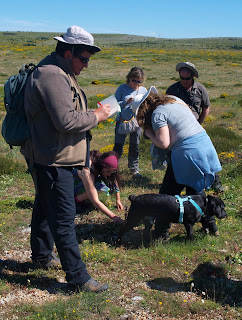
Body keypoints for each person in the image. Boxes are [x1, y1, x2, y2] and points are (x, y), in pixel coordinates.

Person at [20, 26, 111, 293]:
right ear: (68, 52)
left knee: (45, 208)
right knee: (63, 217)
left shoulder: (59, 72)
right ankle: (78, 278)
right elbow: (66, 119)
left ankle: (41, 257)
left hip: (52, 156)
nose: (86, 65)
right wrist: (98, 116)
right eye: (84, 59)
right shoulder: (51, 75)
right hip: (52, 160)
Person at [133, 87, 222, 239]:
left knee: (168, 193)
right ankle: (211, 227)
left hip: (187, 152)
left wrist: (148, 133)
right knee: (195, 190)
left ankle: (161, 232)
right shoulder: (174, 100)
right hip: (203, 144)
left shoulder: (157, 114)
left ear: (143, 109)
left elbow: (164, 143)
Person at [166, 61, 223, 192]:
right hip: (177, 131)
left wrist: (199, 124)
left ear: (193, 77)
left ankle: (214, 180)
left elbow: (206, 108)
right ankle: (176, 182)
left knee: (204, 156)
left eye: (187, 78)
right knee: (174, 156)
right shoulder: (173, 89)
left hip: (195, 130)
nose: (184, 81)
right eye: (181, 77)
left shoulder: (200, 89)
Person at [113, 67, 147, 178]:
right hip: (122, 121)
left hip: (137, 122)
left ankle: (134, 169)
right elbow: (115, 104)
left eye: (139, 81)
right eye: (134, 80)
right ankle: (113, 168)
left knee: (135, 145)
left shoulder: (143, 90)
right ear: (129, 78)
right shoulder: (122, 88)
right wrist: (125, 102)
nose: (136, 84)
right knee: (118, 145)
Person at [73, 150, 124, 224]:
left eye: (112, 171)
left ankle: (80, 198)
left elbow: (113, 181)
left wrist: (118, 200)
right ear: (101, 167)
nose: (110, 174)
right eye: (108, 171)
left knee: (101, 185)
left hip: (81, 181)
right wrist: (113, 217)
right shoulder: (88, 171)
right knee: (99, 187)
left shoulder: (101, 162)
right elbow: (95, 200)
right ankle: (75, 201)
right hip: (71, 183)